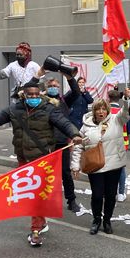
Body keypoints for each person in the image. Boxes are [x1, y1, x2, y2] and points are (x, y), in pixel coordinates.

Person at [0, 81, 82, 247]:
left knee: (35, 195)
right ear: (24, 95)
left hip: (42, 160)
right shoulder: (14, 109)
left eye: (37, 94)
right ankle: (41, 222)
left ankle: (35, 230)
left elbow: (64, 123)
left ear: (41, 94)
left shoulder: (49, 109)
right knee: (32, 196)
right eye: (31, 95)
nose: (34, 97)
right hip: (23, 159)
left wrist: (74, 134)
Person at [71, 91, 130, 236]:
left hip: (113, 165)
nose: (101, 112)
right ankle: (96, 219)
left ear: (108, 110)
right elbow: (78, 146)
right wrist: (75, 165)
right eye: (98, 109)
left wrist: (127, 99)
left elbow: (126, 112)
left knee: (110, 195)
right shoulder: (86, 126)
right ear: (94, 111)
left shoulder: (116, 120)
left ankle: (107, 220)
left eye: (104, 109)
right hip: (95, 165)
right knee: (97, 195)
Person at [29, 68, 81, 213]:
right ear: (45, 87)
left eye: (56, 86)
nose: (53, 88)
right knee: (45, 174)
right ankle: (44, 201)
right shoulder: (40, 101)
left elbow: (76, 92)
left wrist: (69, 77)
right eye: (51, 86)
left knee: (65, 173)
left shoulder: (64, 101)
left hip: (62, 143)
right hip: (45, 144)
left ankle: (71, 200)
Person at [108, 89, 129, 202]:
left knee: (109, 168)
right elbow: (129, 127)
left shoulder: (105, 111)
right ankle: (121, 193)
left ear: (109, 98)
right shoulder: (123, 111)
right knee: (121, 169)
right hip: (122, 143)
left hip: (108, 144)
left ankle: (110, 191)